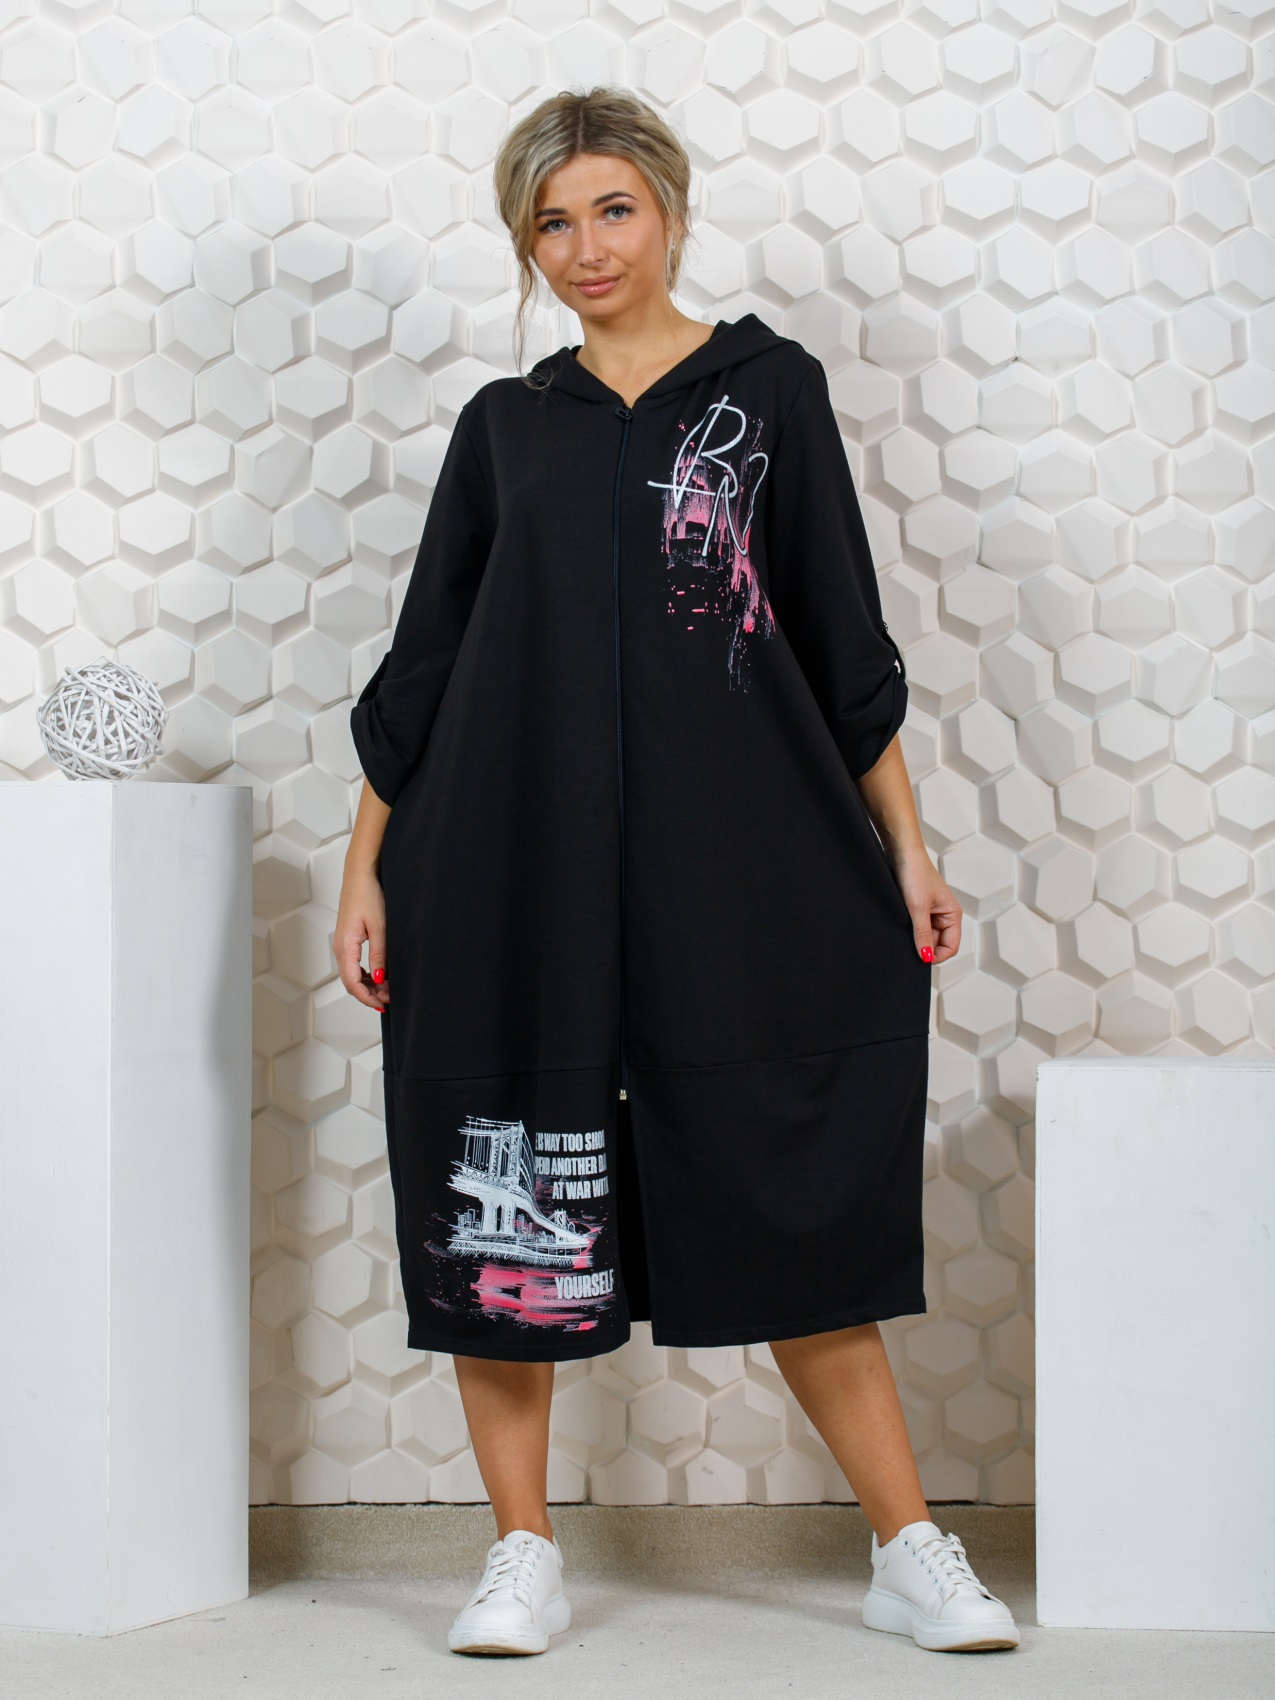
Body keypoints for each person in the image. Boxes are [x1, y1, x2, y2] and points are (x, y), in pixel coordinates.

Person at [335, 85, 1020, 1659]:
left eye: (612, 209)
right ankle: (522, 1554)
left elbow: (843, 640)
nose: (586, 247)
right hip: (510, 870)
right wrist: (363, 866)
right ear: (526, 245)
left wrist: (909, 850)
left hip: (743, 870)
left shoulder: (770, 393)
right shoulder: (505, 429)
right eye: (551, 222)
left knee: (789, 1189)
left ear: (670, 209)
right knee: (509, 1191)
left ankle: (909, 1547)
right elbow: (423, 663)